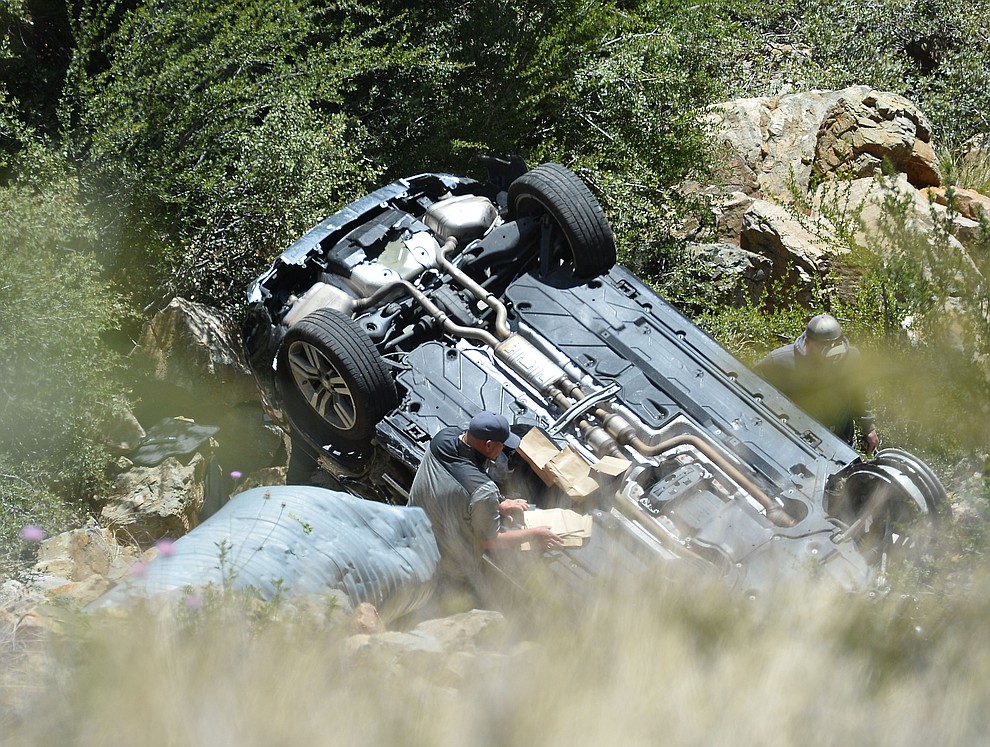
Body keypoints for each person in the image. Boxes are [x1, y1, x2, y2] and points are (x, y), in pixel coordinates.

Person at [408, 410, 562, 609]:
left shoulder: (442, 438)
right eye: (502, 446)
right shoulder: (483, 490)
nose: (504, 450)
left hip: (412, 534)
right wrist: (534, 534)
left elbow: (456, 485)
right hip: (445, 566)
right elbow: (489, 541)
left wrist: (499, 502)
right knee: (441, 606)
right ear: (489, 445)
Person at [755, 314, 880, 455]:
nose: (833, 357)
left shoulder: (851, 357)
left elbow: (859, 392)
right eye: (825, 348)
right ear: (808, 343)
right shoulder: (780, 361)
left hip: (841, 440)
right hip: (798, 442)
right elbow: (751, 387)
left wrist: (868, 427)